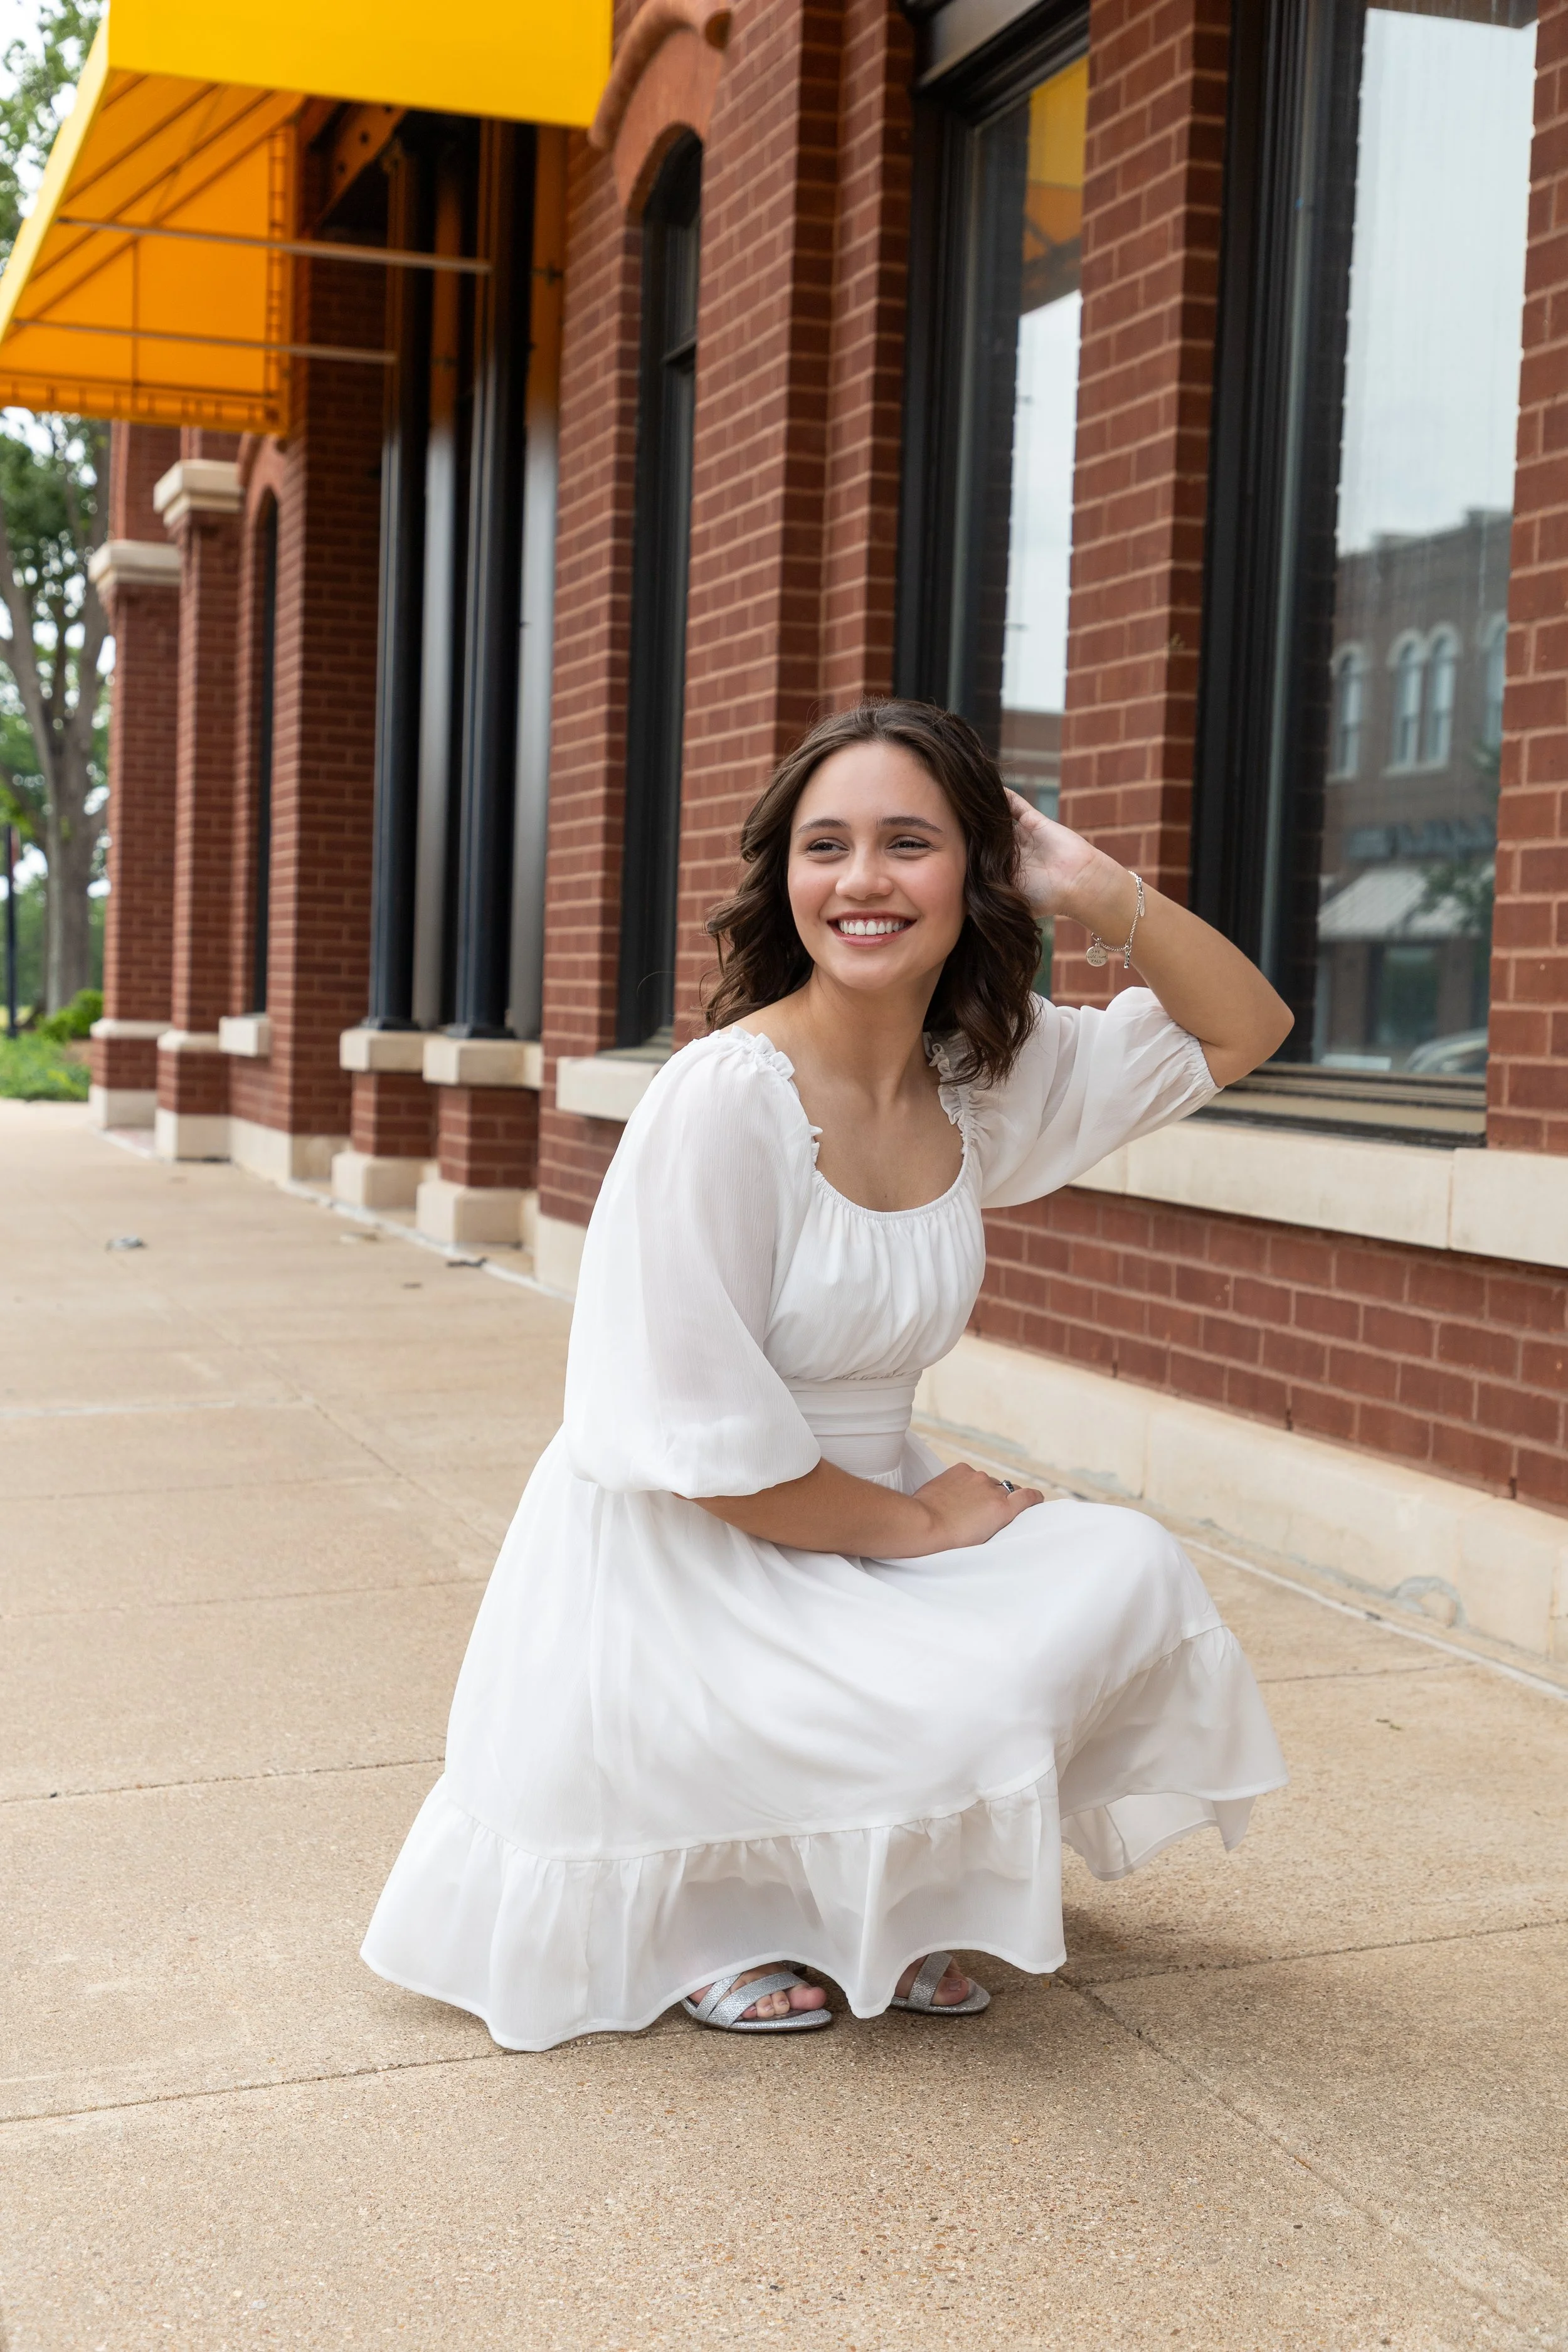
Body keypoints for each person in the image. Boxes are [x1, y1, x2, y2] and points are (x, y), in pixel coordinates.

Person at [363, 701, 1291, 2046]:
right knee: (963, 1688)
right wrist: (927, 1525)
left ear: (970, 876)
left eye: (907, 844)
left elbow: (1241, 1026)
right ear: (781, 879)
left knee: (1126, 1574)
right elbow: (690, 1446)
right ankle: (714, 1912)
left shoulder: (975, 1078)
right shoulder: (723, 1099)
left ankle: (876, 1902)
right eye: (825, 846)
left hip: (861, 1528)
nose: (860, 881)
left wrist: (1086, 883)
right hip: (683, 1562)